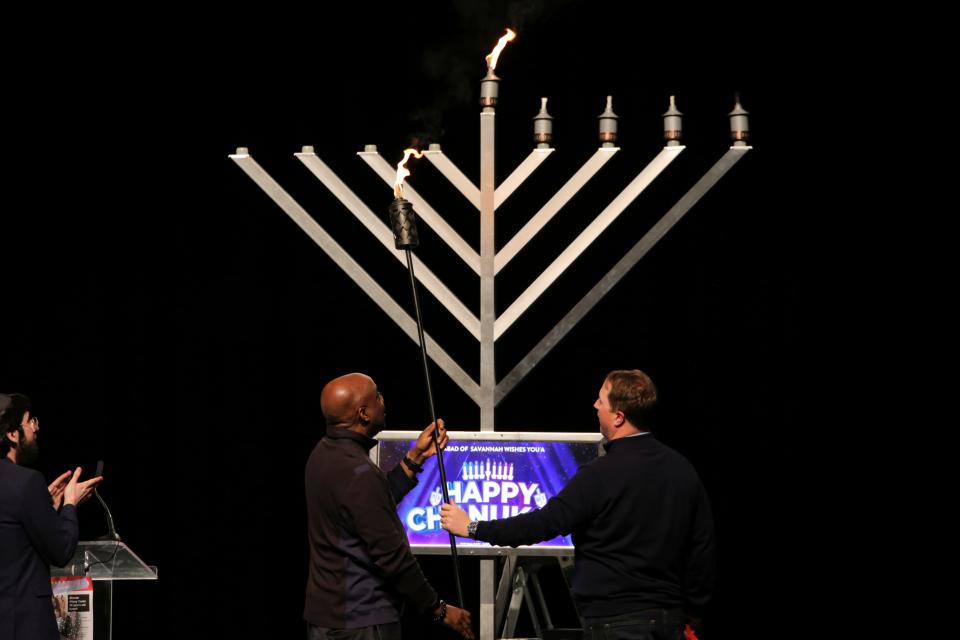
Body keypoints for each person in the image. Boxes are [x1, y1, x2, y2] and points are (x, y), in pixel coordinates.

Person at [440, 370, 716, 640]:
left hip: (615, 623)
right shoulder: (683, 470)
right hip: (671, 622)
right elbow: (702, 550)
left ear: (619, 417)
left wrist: (473, 527)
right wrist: (692, 613)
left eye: (601, 400)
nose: (595, 405)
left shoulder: (600, 474)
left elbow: (541, 524)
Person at [304, 373, 473, 640]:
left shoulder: (322, 454)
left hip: (327, 619)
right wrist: (439, 609)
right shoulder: (359, 473)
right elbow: (394, 559)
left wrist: (415, 457)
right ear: (364, 413)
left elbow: (369, 507)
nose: (383, 401)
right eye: (377, 396)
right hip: (362, 623)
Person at [0, 392, 103, 640]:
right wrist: (69, 503)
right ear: (13, 434)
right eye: (30, 422)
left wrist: (41, 506)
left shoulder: (22, 488)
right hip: (23, 627)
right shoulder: (27, 482)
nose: (35, 429)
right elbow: (61, 550)